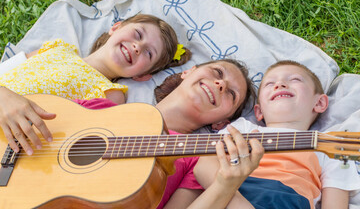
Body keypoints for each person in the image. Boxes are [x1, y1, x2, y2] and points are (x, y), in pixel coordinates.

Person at [0, 59, 264, 208]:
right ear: (188, 72)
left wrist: (226, 184)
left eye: (230, 93)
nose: (220, 84)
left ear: (221, 123)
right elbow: (30, 114)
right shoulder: (101, 108)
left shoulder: (195, 155)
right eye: (217, 73)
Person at [194, 60, 360, 209]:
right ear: (258, 111)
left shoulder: (329, 144)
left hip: (287, 200)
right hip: (234, 192)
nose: (279, 84)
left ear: (320, 102)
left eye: (295, 79)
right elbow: (204, 164)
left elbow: (334, 204)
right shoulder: (242, 127)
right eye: (269, 84)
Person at [0, 14, 191, 105]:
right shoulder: (57, 48)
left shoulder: (110, 94)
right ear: (116, 27)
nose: (137, 47)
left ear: (142, 76)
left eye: (149, 53)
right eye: (138, 34)